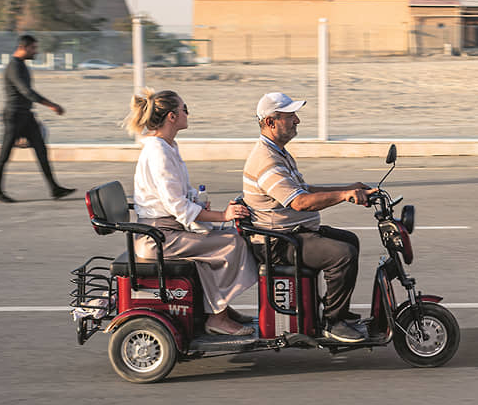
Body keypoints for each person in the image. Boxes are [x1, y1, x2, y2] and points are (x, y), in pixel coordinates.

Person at [242, 92, 376, 343]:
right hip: (277, 243)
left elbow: (304, 190)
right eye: (290, 116)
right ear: (271, 122)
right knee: (341, 253)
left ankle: (337, 312)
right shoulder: (266, 160)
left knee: (350, 240)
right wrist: (345, 195)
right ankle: (334, 322)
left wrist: (348, 188)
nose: (297, 121)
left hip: (290, 234)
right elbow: (300, 202)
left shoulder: (278, 152)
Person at [123, 88, 258, 336]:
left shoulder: (167, 146)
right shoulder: (159, 152)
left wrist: (200, 202)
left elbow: (180, 193)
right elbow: (177, 206)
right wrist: (223, 215)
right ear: (172, 117)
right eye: (185, 109)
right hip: (159, 238)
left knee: (215, 245)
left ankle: (219, 308)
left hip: (166, 231)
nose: (188, 113)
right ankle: (217, 316)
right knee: (232, 242)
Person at [0, 34, 75, 203]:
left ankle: (55, 189)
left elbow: (27, 93)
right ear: (24, 47)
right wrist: (52, 105)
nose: (36, 51)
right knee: (4, 155)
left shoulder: (22, 65)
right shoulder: (14, 66)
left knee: (42, 151)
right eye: (33, 48)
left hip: (26, 115)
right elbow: (26, 91)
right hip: (14, 116)